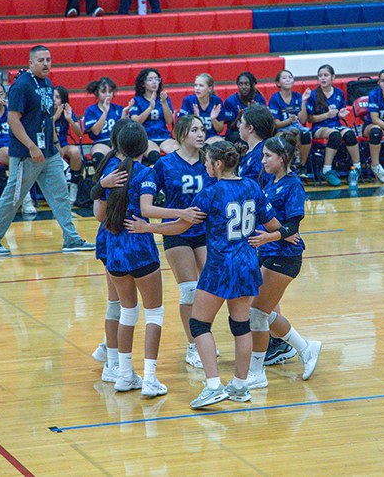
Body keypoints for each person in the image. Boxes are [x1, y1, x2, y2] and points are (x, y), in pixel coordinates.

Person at [125, 140, 282, 409]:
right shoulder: (253, 187)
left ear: (218, 164)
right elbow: (275, 225)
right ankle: (241, 386)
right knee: (241, 325)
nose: (205, 165)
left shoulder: (211, 192)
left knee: (199, 324)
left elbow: (179, 228)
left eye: (208, 161)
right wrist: (267, 238)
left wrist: (145, 228)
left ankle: (213, 386)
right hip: (247, 263)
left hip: (221, 265)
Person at [0, 45, 95, 256]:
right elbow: (13, 120)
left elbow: (47, 118)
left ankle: (71, 239)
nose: (45, 64)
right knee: (13, 198)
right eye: (41, 60)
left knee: (60, 196)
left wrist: (55, 146)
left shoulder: (48, 83)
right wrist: (31, 146)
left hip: (48, 152)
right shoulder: (21, 86)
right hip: (26, 154)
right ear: (30, 63)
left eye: (48, 60)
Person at [94, 121, 170, 398]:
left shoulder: (109, 172)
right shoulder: (146, 173)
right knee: (154, 314)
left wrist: (101, 188)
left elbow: (99, 216)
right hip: (139, 247)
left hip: (113, 248)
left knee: (127, 312)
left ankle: (124, 374)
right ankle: (150, 378)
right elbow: (149, 208)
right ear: (144, 145)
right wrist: (181, 213)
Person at [246, 130, 321, 389]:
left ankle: (257, 372)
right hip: (268, 254)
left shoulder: (293, 184)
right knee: (261, 314)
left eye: (268, 156)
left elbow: (293, 226)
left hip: (285, 257)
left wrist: (269, 237)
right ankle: (306, 348)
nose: (263, 160)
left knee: (256, 313)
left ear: (282, 157)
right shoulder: (270, 183)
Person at [151, 115, 212, 368]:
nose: (200, 134)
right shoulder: (165, 165)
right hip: (177, 232)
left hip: (205, 232)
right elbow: (147, 200)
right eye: (194, 130)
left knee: (209, 288)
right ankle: (193, 345)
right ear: (181, 134)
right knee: (188, 289)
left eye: (202, 129)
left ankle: (204, 338)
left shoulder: (209, 161)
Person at [89, 118, 132, 382]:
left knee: (119, 302)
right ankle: (112, 361)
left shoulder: (113, 164)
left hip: (116, 240)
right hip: (114, 239)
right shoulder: (117, 169)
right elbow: (98, 213)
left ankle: (108, 348)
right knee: (119, 304)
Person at [0, 82, 38, 214]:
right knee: (13, 155)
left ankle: (19, 197)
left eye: (1, 93)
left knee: (25, 157)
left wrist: (12, 112)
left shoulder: (11, 110)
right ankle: (25, 200)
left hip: (13, 145)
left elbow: (23, 129)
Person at [306, 64, 361, 186]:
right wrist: (327, 115)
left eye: (326, 75)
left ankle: (357, 168)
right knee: (335, 135)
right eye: (320, 76)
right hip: (319, 127)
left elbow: (339, 112)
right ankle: (326, 169)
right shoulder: (314, 95)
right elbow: (310, 119)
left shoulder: (339, 93)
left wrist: (341, 115)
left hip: (336, 124)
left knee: (350, 134)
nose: (323, 78)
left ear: (333, 77)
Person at [268, 69, 312, 177]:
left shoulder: (297, 96)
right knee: (288, 135)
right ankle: (287, 166)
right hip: (282, 129)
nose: (288, 79)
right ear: (278, 83)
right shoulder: (274, 99)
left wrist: (303, 101)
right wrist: (289, 121)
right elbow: (276, 124)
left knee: (305, 134)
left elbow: (302, 119)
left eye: (290, 77)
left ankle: (302, 166)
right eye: (284, 78)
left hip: (297, 127)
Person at [129, 68, 178, 163]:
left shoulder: (164, 98)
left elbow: (169, 121)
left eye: (157, 79)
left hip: (163, 136)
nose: (154, 82)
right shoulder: (137, 101)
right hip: (146, 137)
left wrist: (163, 103)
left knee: (177, 152)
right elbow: (135, 122)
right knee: (154, 155)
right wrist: (150, 108)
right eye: (150, 79)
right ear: (143, 83)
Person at [84, 77, 126, 172]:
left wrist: (124, 115)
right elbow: (95, 131)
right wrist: (105, 112)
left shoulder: (119, 109)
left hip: (117, 141)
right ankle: (101, 180)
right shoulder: (91, 110)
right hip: (101, 141)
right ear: (97, 93)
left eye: (110, 92)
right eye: (104, 92)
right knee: (98, 155)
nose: (107, 95)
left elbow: (123, 130)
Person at [53, 85, 85, 205]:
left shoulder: (66, 111)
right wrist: (54, 118)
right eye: (52, 96)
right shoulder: (45, 111)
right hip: (47, 146)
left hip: (63, 145)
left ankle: (73, 185)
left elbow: (79, 133)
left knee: (76, 152)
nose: (54, 99)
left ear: (63, 100)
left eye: (57, 97)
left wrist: (70, 119)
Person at [179, 73, 227, 145]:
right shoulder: (188, 101)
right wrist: (196, 119)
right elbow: (181, 127)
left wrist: (213, 119)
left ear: (209, 88)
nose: (197, 88)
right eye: (195, 85)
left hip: (211, 138)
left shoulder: (216, 101)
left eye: (201, 86)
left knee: (221, 143)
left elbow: (220, 130)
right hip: (193, 138)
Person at [238, 103, 275, 187]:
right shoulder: (252, 151)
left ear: (250, 128)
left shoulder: (262, 154)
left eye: (241, 122)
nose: (239, 126)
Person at [224, 72, 267, 142]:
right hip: (236, 133)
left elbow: (264, 124)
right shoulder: (230, 101)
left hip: (255, 132)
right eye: (240, 84)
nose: (243, 87)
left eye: (246, 84)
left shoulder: (259, 99)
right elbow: (231, 127)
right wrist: (239, 117)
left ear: (251, 85)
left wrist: (254, 112)